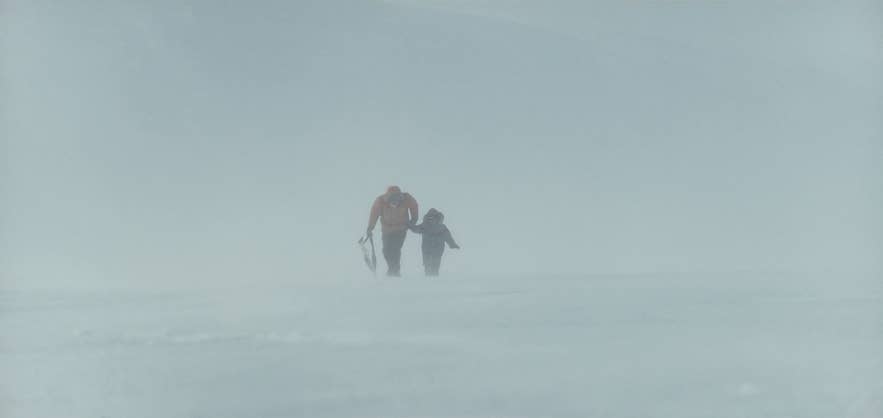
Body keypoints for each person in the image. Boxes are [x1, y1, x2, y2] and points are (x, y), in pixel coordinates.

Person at [366, 186, 419, 277]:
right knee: (386, 250)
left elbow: (414, 206)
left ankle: (395, 270)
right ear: (388, 200)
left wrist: (413, 220)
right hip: (387, 230)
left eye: (397, 202)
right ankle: (393, 268)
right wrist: (370, 227)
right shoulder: (380, 201)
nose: (395, 204)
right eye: (393, 202)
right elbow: (374, 214)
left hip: (401, 229)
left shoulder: (406, 198)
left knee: (395, 249)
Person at [409, 208, 459, 276]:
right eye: (429, 217)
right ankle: (431, 276)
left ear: (436, 217)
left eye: (432, 217)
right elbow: (416, 229)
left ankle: (432, 276)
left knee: (433, 264)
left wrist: (452, 244)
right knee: (430, 264)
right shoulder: (427, 225)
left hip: (434, 248)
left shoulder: (438, 226)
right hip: (431, 248)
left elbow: (447, 236)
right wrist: (410, 226)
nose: (431, 219)